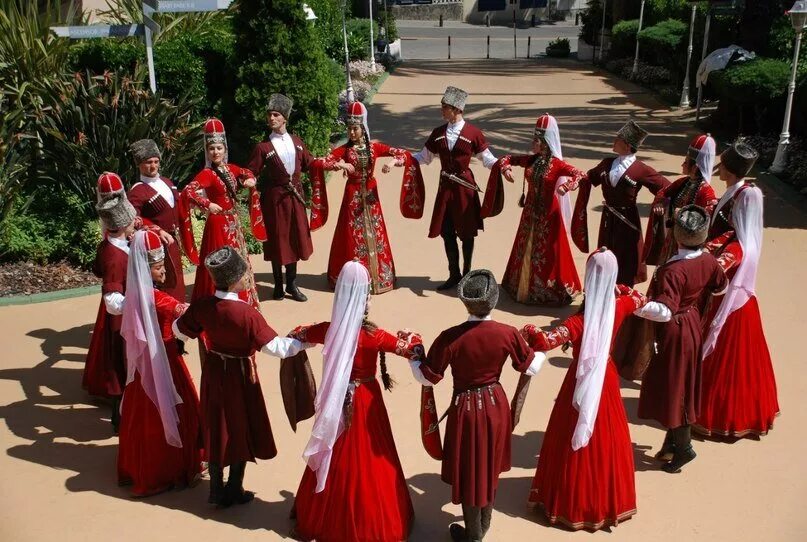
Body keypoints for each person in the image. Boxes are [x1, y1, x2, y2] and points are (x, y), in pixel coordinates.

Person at [288, 261, 423, 541]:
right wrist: (412, 337)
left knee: (334, 451)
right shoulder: (373, 335)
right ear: (364, 299)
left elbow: (298, 334)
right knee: (371, 458)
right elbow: (410, 350)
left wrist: (300, 334)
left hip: (336, 402)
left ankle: (322, 514)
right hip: (365, 399)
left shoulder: (328, 330)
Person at [410, 270, 546, 541]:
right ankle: (484, 521)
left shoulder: (450, 338)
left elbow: (426, 376)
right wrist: (540, 344)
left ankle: (474, 534)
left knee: (471, 468)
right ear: (493, 301)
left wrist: (414, 356)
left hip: (465, 410)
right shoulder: (507, 333)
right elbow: (532, 367)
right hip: (496, 405)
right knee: (489, 463)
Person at [521, 249, 647, 530]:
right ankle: (605, 503)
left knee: (569, 436)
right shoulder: (622, 306)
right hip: (607, 380)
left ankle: (568, 502)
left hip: (578, 380)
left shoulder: (578, 322)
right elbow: (641, 298)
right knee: (608, 439)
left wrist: (529, 328)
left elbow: (545, 341)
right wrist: (622, 288)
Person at [172, 246, 307, 507]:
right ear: (235, 280)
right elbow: (277, 348)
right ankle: (233, 488)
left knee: (216, 424)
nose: (248, 277)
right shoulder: (247, 314)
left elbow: (180, 330)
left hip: (213, 371)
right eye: (245, 274)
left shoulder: (203, 306)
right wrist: (304, 341)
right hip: (240, 375)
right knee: (239, 427)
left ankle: (216, 488)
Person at [635, 205, 727, 473]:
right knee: (679, 386)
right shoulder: (709, 260)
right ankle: (671, 443)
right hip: (692, 325)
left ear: (676, 235)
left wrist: (636, 304)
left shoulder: (672, 271)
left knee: (676, 390)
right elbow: (721, 287)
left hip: (675, 331)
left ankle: (685, 448)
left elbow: (664, 311)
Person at [118, 230, 203, 496]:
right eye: (157, 267)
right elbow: (190, 316)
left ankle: (139, 466)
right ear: (146, 268)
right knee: (179, 411)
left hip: (143, 368)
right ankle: (171, 469)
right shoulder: (160, 300)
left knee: (141, 417)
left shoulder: (133, 294)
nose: (164, 270)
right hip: (165, 360)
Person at [313, 101, 424, 293]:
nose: (352, 133)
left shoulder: (374, 148)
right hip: (352, 196)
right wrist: (341, 165)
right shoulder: (344, 150)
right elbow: (320, 163)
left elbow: (403, 154)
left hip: (371, 196)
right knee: (350, 235)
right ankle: (352, 278)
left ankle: (378, 276)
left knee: (376, 233)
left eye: (355, 128)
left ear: (363, 128)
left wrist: (391, 163)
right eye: (349, 129)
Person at [696, 186, 779, 438]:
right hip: (745, 305)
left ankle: (719, 418)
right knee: (749, 366)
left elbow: (717, 271)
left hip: (729, 309)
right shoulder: (749, 239)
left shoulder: (737, 248)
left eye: (734, 209)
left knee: (723, 364)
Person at [559, 120, 670, 286]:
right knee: (606, 252)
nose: (614, 141)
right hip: (608, 218)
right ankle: (604, 288)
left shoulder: (641, 169)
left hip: (628, 219)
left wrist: (660, 200)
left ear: (626, 145)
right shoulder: (607, 163)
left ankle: (624, 291)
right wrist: (571, 184)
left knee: (627, 255)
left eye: (617, 139)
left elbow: (666, 186)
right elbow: (589, 178)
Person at [412, 86, 500, 290]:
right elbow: (423, 157)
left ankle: (467, 274)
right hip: (445, 190)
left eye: (445, 107)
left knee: (467, 233)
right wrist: (402, 159)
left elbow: (487, 159)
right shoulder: (438, 133)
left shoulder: (473, 133)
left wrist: (502, 167)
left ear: (456, 109)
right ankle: (454, 274)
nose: (441, 111)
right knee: (446, 231)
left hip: (465, 189)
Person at [497, 114, 584, 305]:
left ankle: (549, 290)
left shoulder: (557, 165)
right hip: (529, 213)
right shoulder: (531, 160)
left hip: (548, 216)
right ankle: (520, 288)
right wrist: (506, 170)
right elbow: (505, 158)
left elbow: (579, 175)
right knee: (524, 249)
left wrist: (566, 186)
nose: (532, 143)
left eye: (536, 140)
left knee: (549, 253)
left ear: (545, 142)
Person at [179, 118, 264, 309]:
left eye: (219, 148)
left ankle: (243, 302)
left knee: (239, 259)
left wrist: (249, 180)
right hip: (217, 226)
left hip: (234, 223)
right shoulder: (207, 174)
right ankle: (220, 306)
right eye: (211, 149)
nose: (215, 152)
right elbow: (188, 191)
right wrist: (207, 203)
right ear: (207, 151)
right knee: (222, 264)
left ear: (224, 148)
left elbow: (246, 172)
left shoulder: (231, 168)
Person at [247, 93, 320, 302]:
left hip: (295, 198)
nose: (271, 118)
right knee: (278, 241)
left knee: (294, 239)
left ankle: (292, 284)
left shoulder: (297, 142)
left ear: (285, 118)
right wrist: (247, 180)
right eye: (269, 115)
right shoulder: (263, 148)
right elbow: (250, 172)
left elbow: (310, 164)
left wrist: (331, 162)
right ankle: (278, 285)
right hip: (274, 200)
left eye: (276, 115)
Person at [83, 194, 136, 432]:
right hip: (122, 322)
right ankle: (120, 419)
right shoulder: (115, 257)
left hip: (121, 319)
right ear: (124, 224)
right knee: (122, 366)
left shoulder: (107, 246)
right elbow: (114, 301)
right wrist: (140, 303)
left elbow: (96, 270)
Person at [643, 134, 719, 266]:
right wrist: (660, 202)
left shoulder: (707, 193)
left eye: (686, 161)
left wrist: (681, 215)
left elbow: (707, 221)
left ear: (695, 167)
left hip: (689, 248)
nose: (682, 164)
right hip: (672, 240)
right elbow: (663, 192)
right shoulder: (683, 182)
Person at [128, 139, 186, 301]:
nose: (153, 166)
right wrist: (157, 230)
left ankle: (177, 316)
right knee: (164, 283)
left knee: (177, 280)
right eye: (148, 162)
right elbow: (133, 219)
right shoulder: (137, 191)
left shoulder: (167, 182)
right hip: (155, 247)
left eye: (156, 161)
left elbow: (179, 203)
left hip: (172, 242)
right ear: (139, 164)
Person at [708, 139, 759, 240]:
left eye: (722, 165)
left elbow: (734, 234)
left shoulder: (739, 198)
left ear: (730, 171)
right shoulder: (733, 191)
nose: (719, 168)